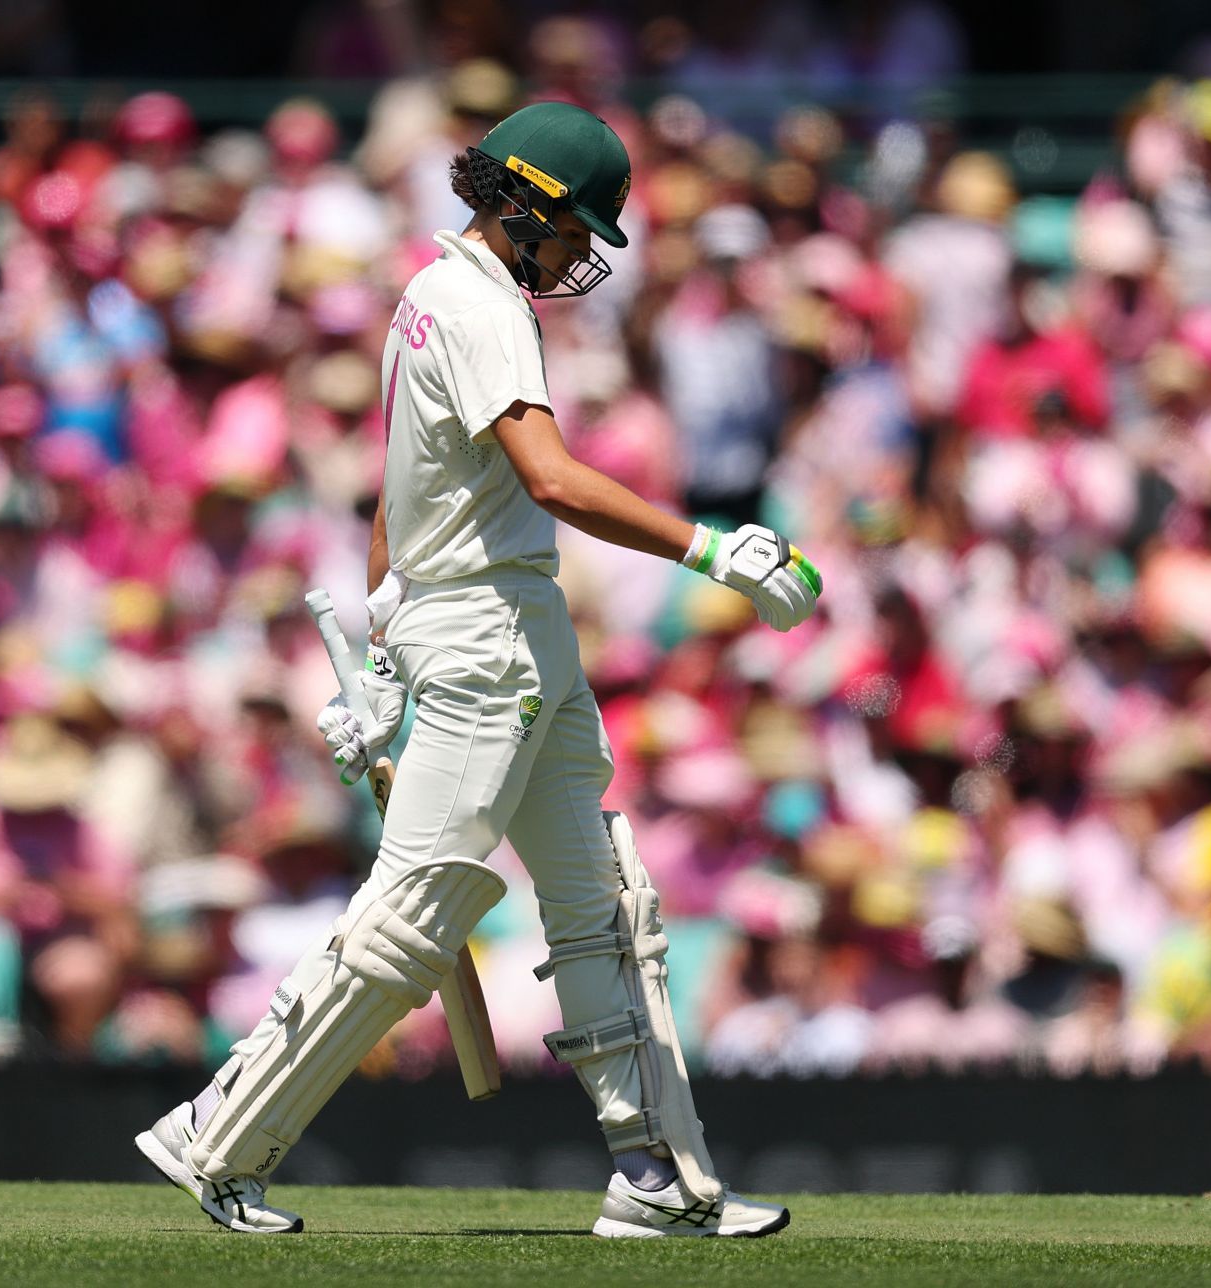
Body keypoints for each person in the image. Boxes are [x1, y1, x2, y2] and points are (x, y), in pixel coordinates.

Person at [133, 101, 821, 1238]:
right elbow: (549, 479)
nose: (582, 254)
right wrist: (712, 548)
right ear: (525, 208)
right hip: (490, 634)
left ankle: (655, 1176)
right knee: (417, 909)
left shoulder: (431, 293)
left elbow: (404, 488)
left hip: (508, 623)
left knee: (602, 905)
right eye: (576, 228)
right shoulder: (478, 303)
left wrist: (385, 637)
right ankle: (216, 1135)